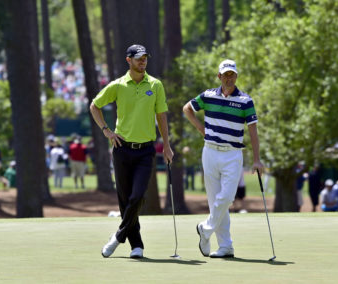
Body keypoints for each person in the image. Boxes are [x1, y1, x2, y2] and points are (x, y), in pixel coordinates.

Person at [90, 44, 174, 259]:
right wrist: (107, 131)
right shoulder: (118, 85)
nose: (143, 61)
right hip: (122, 149)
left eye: (145, 58)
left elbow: (161, 116)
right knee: (125, 199)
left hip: (145, 151)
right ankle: (136, 245)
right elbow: (94, 106)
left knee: (137, 196)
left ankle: (118, 237)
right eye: (138, 58)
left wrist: (166, 145)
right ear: (129, 60)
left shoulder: (155, 85)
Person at [183, 59, 264, 258]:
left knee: (227, 197)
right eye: (225, 74)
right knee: (214, 201)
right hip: (209, 151)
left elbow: (253, 131)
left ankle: (206, 228)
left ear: (236, 76)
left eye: (232, 74)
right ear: (219, 76)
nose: (229, 78)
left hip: (232, 154)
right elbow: (187, 109)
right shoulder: (208, 95)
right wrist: (201, 130)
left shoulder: (245, 100)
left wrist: (257, 159)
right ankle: (225, 246)